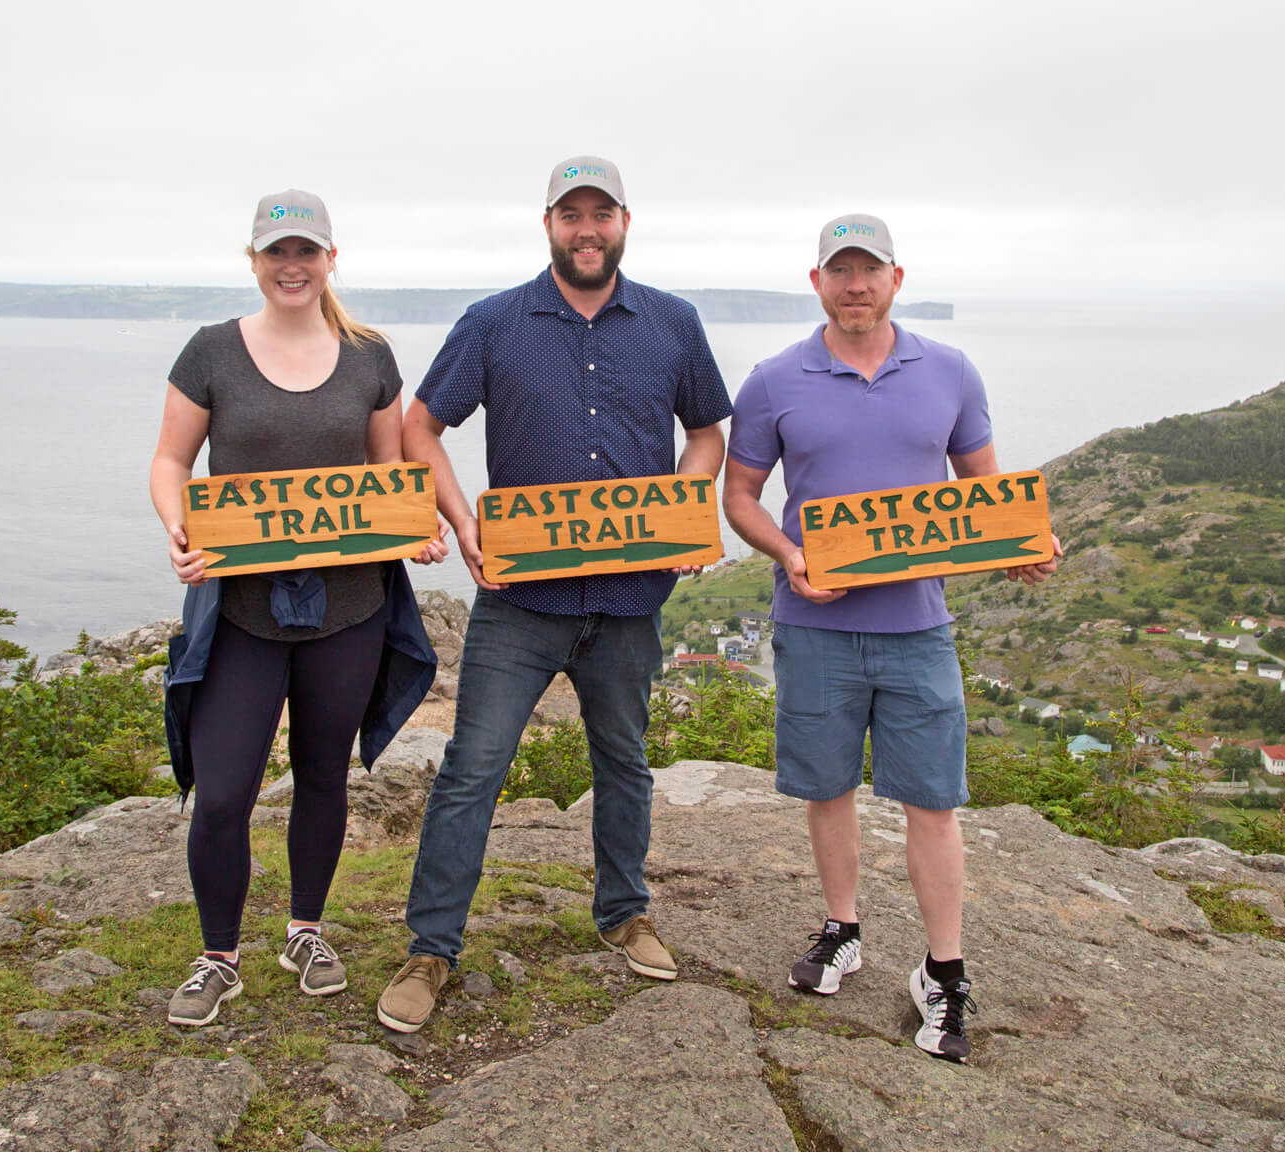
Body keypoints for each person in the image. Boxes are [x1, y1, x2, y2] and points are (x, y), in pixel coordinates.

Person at [375, 156, 733, 1034]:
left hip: (629, 600)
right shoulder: (494, 322)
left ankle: (625, 915)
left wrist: (684, 515)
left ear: (623, 222)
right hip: (519, 603)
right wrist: (461, 524)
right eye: (569, 214)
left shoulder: (673, 323)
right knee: (470, 773)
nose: (586, 229)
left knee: (625, 765)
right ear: (547, 226)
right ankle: (431, 950)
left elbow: (708, 431)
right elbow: (421, 427)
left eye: (599, 214)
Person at [722, 213, 1060, 1063]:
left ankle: (943, 973)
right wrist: (790, 553)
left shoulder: (948, 371)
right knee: (826, 787)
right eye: (841, 271)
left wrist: (1025, 547)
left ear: (896, 279)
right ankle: (843, 929)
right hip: (814, 626)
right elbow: (740, 496)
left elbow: (985, 495)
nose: (856, 285)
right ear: (817, 282)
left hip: (918, 630)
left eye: (869, 270)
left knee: (932, 801)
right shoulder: (772, 381)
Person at [149, 189, 446, 1026]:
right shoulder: (210, 351)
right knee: (223, 791)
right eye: (276, 252)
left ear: (329, 259)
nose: (291, 266)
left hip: (349, 609)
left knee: (324, 777)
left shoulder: (369, 356)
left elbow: (391, 480)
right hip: (240, 611)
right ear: (253, 260)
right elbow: (171, 462)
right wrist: (178, 527)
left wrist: (415, 532)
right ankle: (218, 956)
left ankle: (305, 931)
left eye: (305, 252)